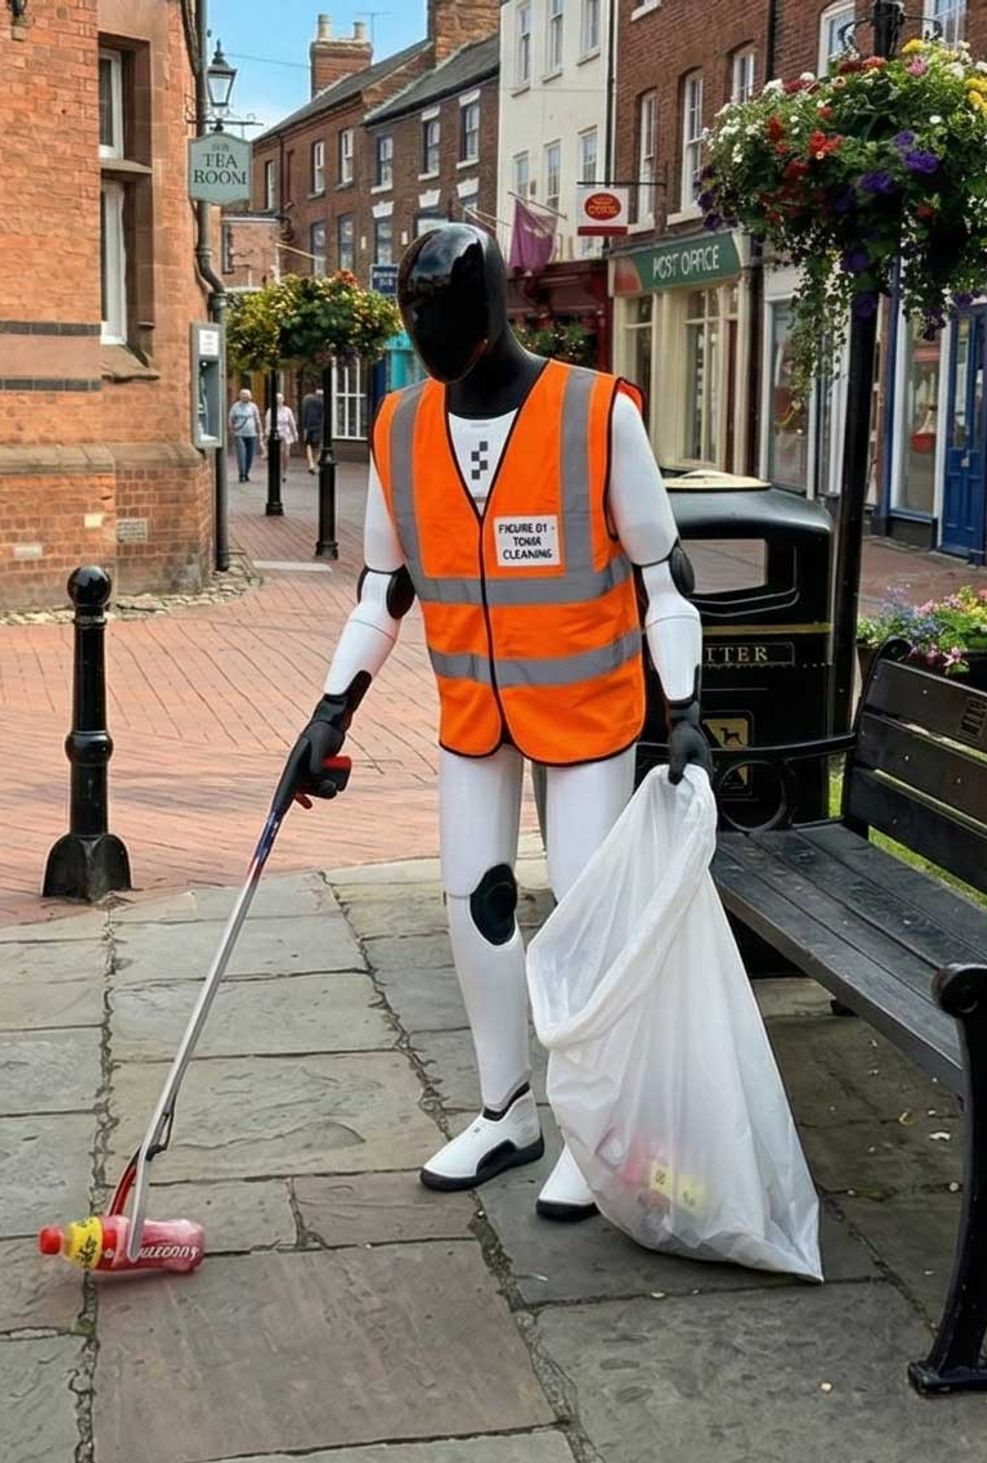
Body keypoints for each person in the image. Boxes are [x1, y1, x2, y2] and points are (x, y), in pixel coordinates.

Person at [281, 224, 717, 1224]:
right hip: (473, 708)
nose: (426, 329)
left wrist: (685, 709)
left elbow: (663, 573)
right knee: (471, 904)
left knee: (584, 912)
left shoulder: (593, 411)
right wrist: (329, 709)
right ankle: (504, 1108)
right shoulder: (396, 428)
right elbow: (381, 587)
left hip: (587, 709)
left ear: (488, 309)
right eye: (414, 312)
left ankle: (592, 1128)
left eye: (441, 310)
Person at [227, 388, 260, 483]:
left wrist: (260, 432)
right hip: (239, 434)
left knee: (250, 455)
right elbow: (231, 419)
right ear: (240, 396)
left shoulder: (253, 406)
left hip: (252, 434)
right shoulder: (235, 406)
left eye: (247, 395)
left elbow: (257, 419)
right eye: (243, 395)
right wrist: (231, 429)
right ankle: (241, 474)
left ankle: (246, 473)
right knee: (241, 454)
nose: (245, 397)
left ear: (250, 396)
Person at [299, 386, 328, 472]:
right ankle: (316, 462)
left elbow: (303, 413)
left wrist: (304, 426)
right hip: (319, 427)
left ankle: (311, 463)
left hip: (308, 426)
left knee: (309, 445)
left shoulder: (307, 399)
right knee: (320, 446)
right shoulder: (323, 401)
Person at [271, 395, 298, 468]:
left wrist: (294, 433)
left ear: (283, 400)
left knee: (285, 453)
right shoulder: (271, 410)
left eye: (280, 398)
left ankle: (285, 470)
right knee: (277, 452)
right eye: (277, 399)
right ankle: (277, 468)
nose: (278, 400)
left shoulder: (287, 410)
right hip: (276, 434)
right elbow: (268, 423)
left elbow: (291, 422)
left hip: (286, 433)